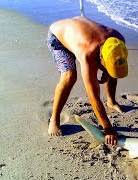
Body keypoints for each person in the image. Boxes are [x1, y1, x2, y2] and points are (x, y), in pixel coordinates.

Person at [46, 16, 128, 145]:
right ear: (99, 57)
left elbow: (113, 63)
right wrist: (108, 128)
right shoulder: (87, 55)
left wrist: (108, 70)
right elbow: (93, 97)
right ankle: (54, 119)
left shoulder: (118, 40)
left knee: (114, 69)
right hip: (58, 37)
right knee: (69, 77)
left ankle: (111, 102)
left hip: (80, 33)